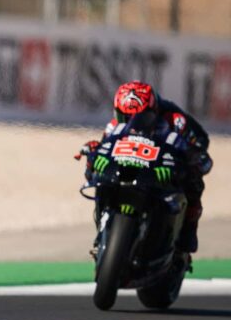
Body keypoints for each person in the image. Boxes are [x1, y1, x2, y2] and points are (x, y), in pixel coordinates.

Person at [77, 80, 212, 253]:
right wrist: (93, 157)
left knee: (194, 182)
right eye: (123, 117)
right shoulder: (114, 125)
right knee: (100, 178)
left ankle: (189, 230)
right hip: (129, 164)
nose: (129, 124)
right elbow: (104, 149)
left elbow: (200, 148)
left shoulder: (176, 121)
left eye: (137, 118)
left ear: (152, 111)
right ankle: (104, 230)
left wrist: (189, 158)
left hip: (161, 164)